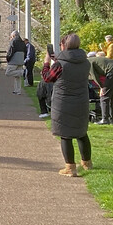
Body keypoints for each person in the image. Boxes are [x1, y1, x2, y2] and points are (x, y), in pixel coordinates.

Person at [42, 33, 92, 176]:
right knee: (82, 133)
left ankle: (70, 167)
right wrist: (56, 60)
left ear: (64, 46)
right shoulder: (85, 62)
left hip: (63, 103)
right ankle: (87, 162)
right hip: (81, 101)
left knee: (66, 135)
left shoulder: (59, 65)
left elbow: (47, 78)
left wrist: (46, 63)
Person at [88, 52, 113, 124]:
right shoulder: (94, 59)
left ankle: (104, 119)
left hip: (112, 72)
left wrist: (101, 87)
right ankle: (112, 119)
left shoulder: (88, 62)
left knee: (104, 97)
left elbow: (94, 76)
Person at [5, 30, 26, 94]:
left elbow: (10, 51)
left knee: (8, 73)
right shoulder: (23, 42)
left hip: (14, 60)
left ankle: (23, 72)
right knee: (17, 77)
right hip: (20, 60)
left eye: (11, 36)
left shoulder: (13, 41)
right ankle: (17, 90)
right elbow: (25, 51)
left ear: (13, 36)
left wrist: (8, 58)